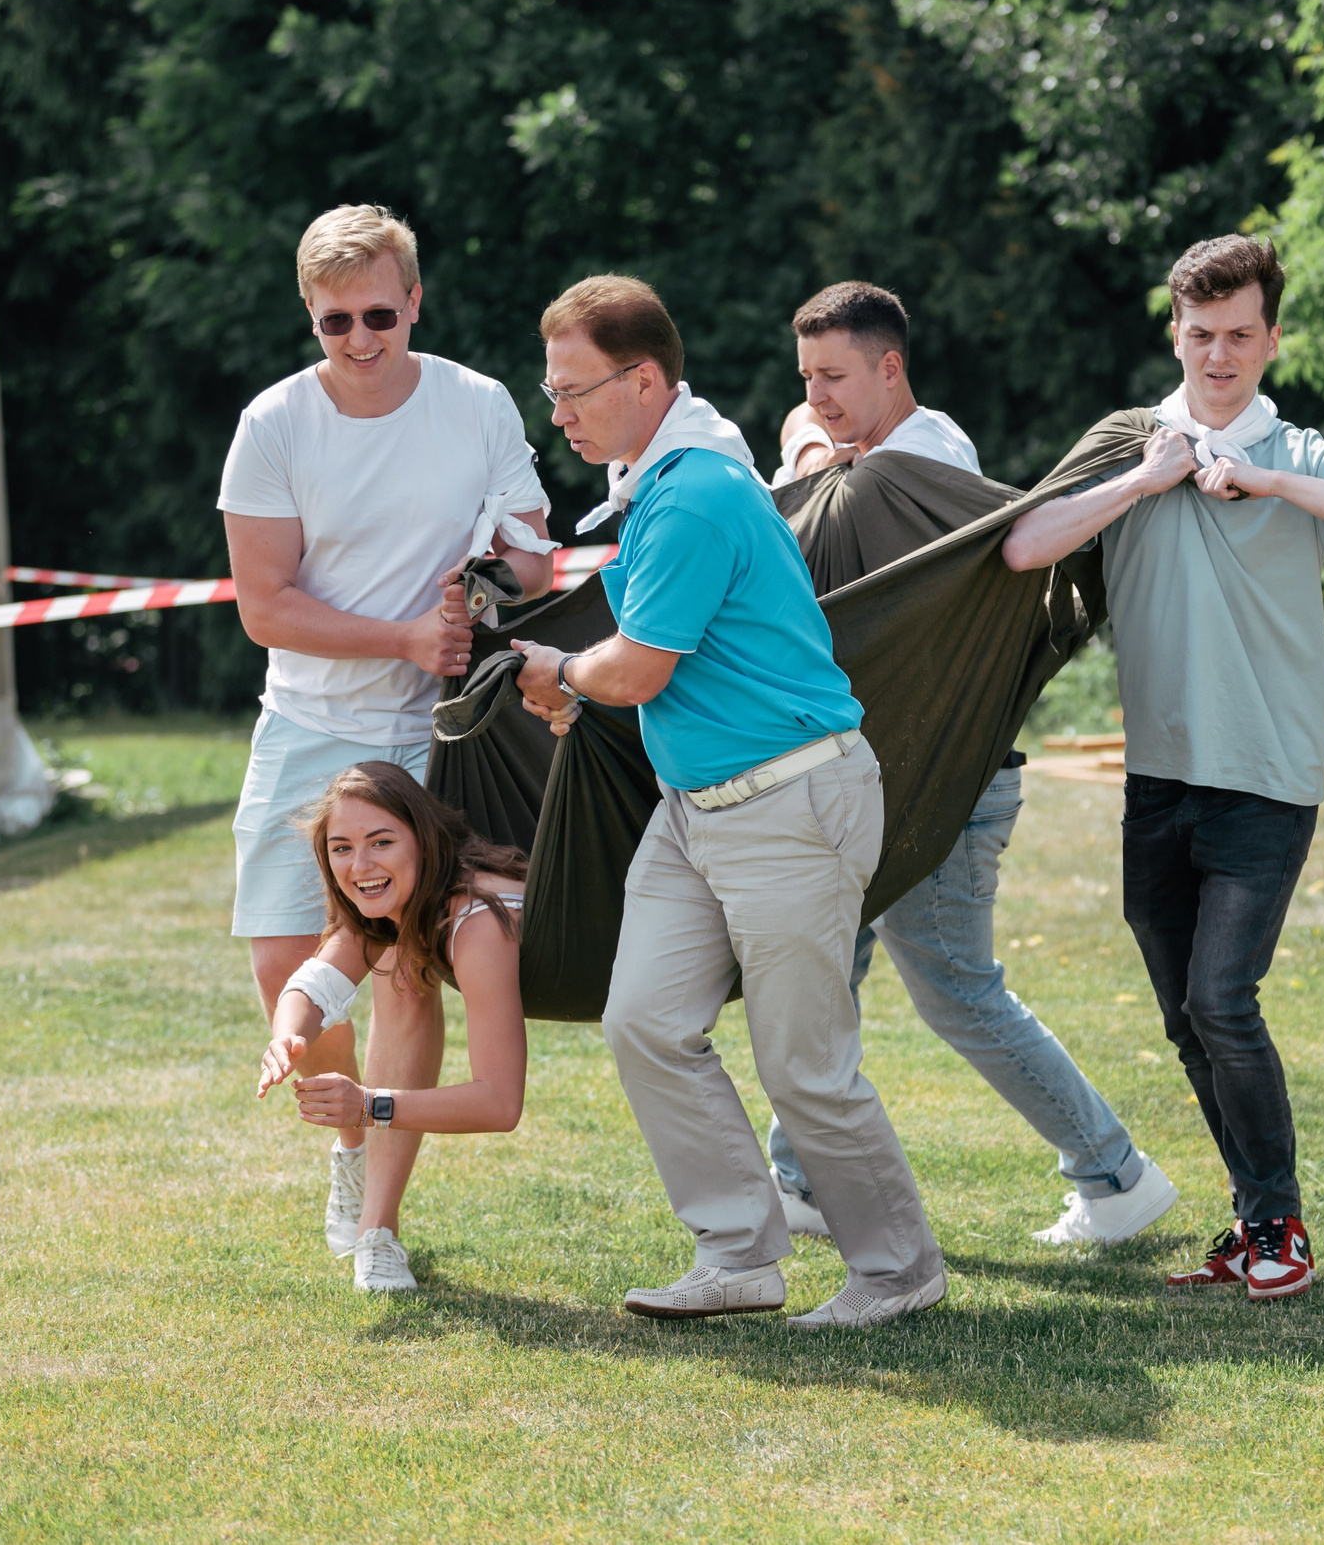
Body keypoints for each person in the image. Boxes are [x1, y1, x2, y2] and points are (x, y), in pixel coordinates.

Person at [509, 275, 947, 1329]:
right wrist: (581, 679)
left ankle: (900, 1270)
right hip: (699, 808)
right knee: (645, 1021)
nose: (557, 414)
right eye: (552, 391)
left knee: (804, 1067)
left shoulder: (694, 491)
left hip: (790, 804)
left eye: (572, 391)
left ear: (642, 380)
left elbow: (639, 667)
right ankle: (740, 1255)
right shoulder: (666, 478)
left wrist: (560, 673)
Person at [1001, 235, 1324, 1301]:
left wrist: (1270, 482)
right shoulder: (1130, 443)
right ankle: (1251, 1221)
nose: (1220, 354)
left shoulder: (1301, 452)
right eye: (1202, 334)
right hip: (1157, 779)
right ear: (1175, 334)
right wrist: (1144, 481)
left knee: (1223, 998)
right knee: (1187, 1018)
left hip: (1268, 775)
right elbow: (1023, 545)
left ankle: (1280, 1223)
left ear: (1271, 338)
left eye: (1241, 334)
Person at [766, 281, 1179, 1246]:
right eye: (807, 374)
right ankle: (800, 1179)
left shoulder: (923, 459)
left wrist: (819, 462)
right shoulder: (866, 444)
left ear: (891, 369)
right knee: (827, 972)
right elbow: (796, 431)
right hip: (881, 769)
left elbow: (978, 555)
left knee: (956, 988)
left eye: (834, 376)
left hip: (946, 778)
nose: (816, 394)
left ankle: (1117, 1177)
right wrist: (816, 442)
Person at [219, 203, 553, 1260]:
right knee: (287, 968)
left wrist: (489, 581)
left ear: (414, 301)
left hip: (429, 736)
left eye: (378, 314)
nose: (360, 338)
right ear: (309, 315)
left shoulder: (478, 402)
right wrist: (402, 636)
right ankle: (350, 1139)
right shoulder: (273, 423)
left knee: (406, 969)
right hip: (306, 719)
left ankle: (378, 1223)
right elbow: (264, 606)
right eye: (335, 321)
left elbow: (534, 558)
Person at [257, 762, 529, 1291]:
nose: (360, 865)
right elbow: (311, 985)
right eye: (341, 848)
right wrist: (287, 1037)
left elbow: (500, 1104)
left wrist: (368, 1106)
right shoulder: (398, 903)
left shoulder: (477, 921)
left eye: (381, 842)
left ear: (423, 838)